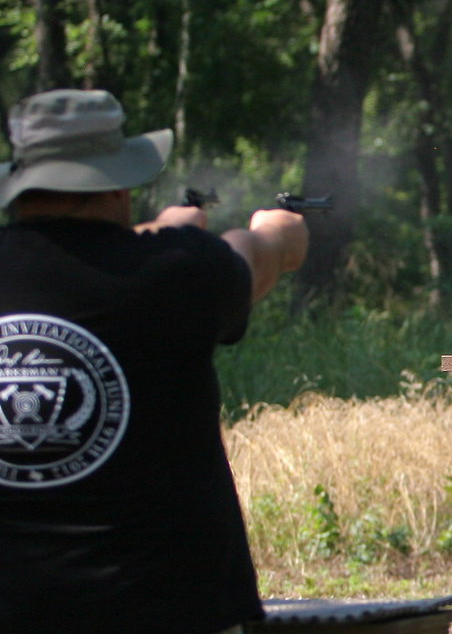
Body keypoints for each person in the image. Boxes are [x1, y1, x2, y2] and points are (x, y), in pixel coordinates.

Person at [0, 89, 308, 634]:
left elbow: (75, 263)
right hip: (172, 610)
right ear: (118, 182)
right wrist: (278, 230)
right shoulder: (181, 273)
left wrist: (172, 229)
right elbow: (252, 253)